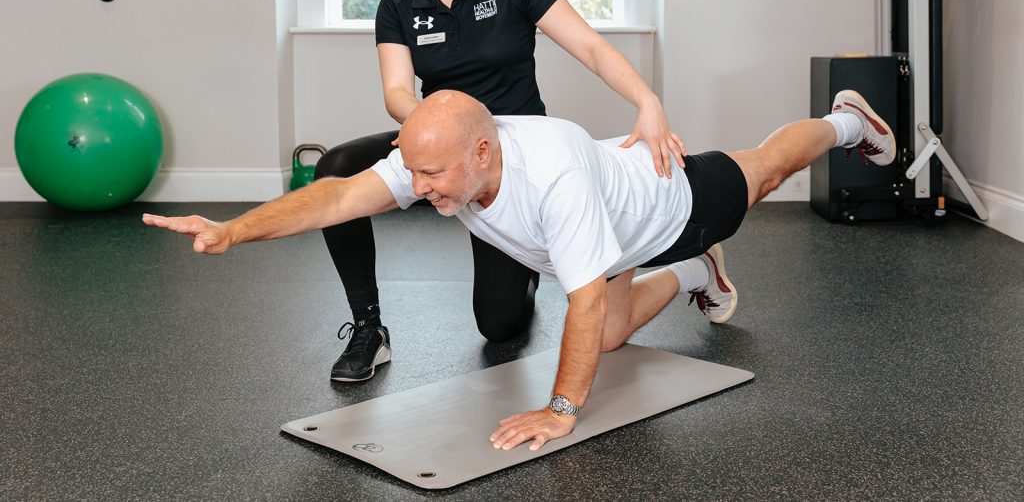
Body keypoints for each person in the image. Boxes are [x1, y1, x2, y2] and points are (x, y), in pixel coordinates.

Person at [143, 87, 895, 453]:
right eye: (415, 174)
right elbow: (338, 195)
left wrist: (558, 411)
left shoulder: (553, 174)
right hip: (616, 232)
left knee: (763, 170)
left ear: (482, 151)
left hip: (672, 199)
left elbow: (584, 303)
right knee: (606, 344)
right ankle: (697, 274)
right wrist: (233, 229)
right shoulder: (437, 157)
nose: (421, 188)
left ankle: (847, 122)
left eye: (433, 175)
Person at [315, 0, 687, 382]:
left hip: (513, 159)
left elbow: (592, 48)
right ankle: (368, 328)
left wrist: (647, 101)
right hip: (441, 140)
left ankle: (528, 268)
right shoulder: (398, 4)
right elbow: (397, 93)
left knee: (500, 325)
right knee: (336, 168)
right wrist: (438, 126)